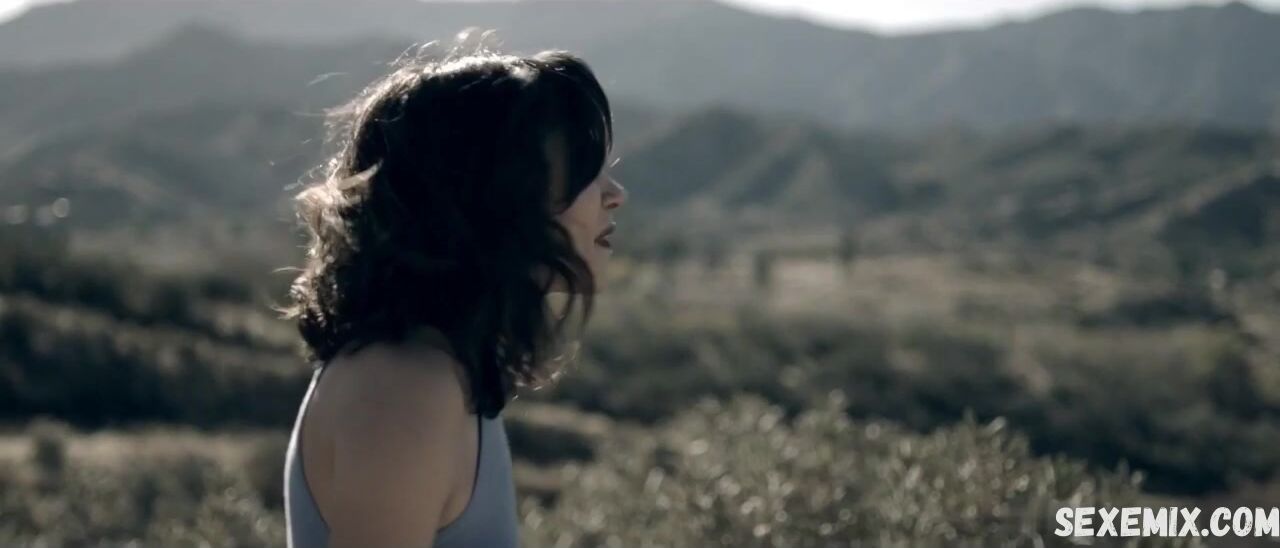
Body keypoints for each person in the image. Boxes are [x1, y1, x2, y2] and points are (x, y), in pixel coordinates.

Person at [277, 45, 627, 547]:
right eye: (582, 171)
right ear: (491, 192)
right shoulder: (406, 390)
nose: (615, 194)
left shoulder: (435, 372)